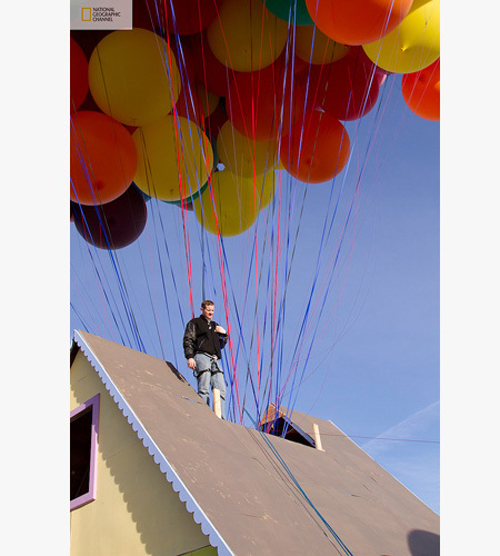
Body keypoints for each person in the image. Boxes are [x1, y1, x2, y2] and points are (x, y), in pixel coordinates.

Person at [183, 300, 228, 419]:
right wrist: (190, 357)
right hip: (202, 355)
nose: (210, 313)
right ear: (202, 310)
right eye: (208, 310)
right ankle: (204, 415)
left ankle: (220, 417)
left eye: (212, 310)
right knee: (204, 386)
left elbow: (220, 345)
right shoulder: (195, 323)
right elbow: (188, 339)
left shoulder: (215, 325)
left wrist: (224, 334)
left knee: (221, 388)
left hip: (214, 358)